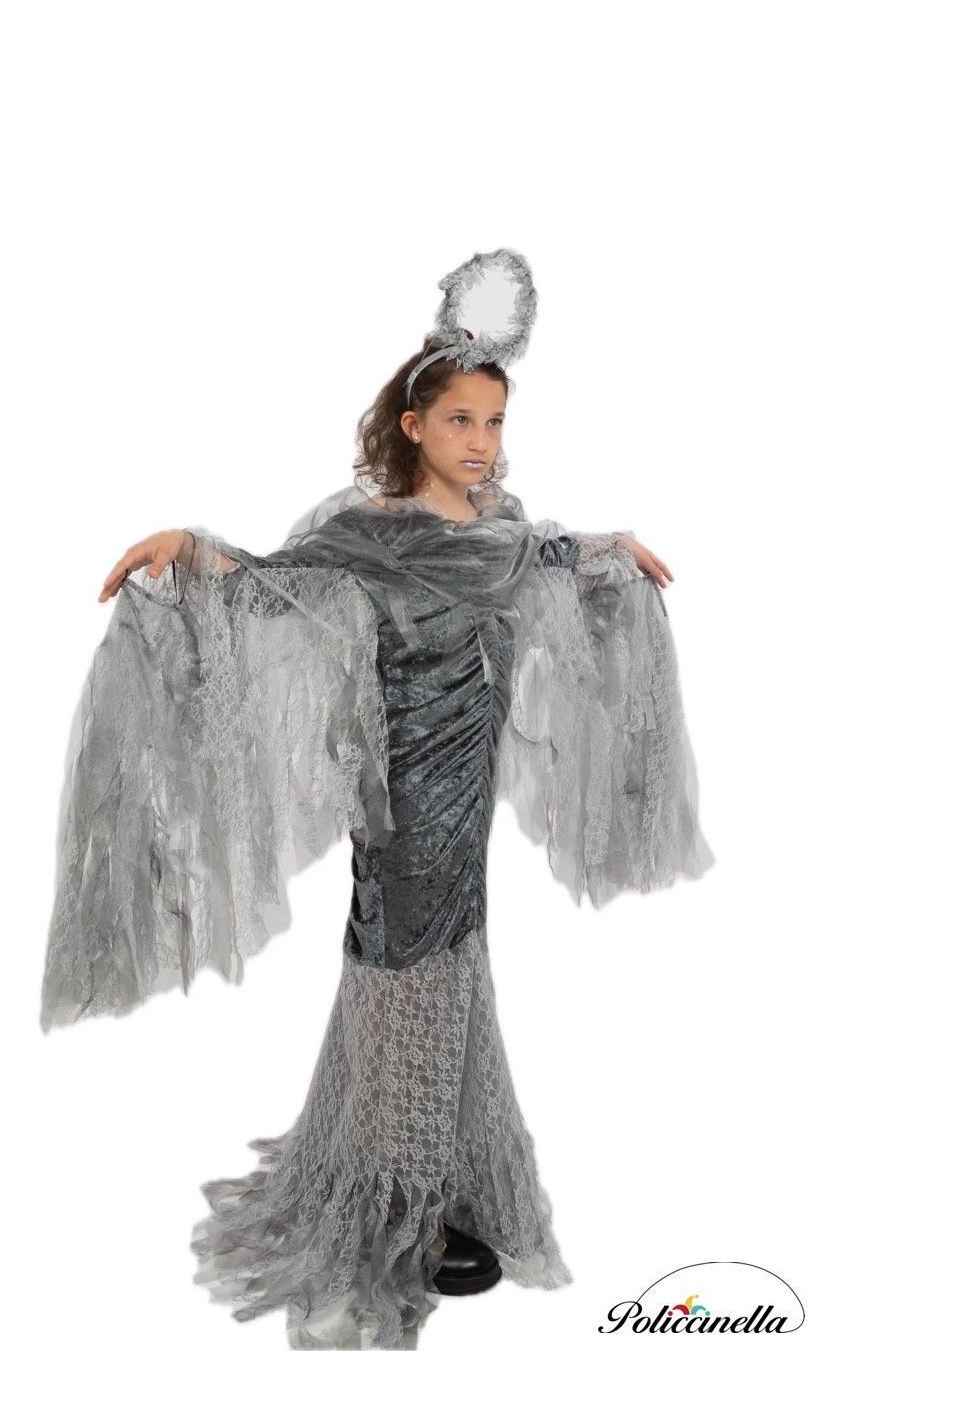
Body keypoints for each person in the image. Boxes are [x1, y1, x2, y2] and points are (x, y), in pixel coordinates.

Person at [40, 249, 714, 1350]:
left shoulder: (496, 527)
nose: (481, 443)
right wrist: (189, 547)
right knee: (404, 965)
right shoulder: (372, 531)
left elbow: (538, 551)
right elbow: (277, 584)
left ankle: (438, 1178)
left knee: (453, 964)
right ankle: (395, 1210)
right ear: (414, 426)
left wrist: (608, 548)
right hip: (401, 793)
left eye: (494, 423)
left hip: (467, 788)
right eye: (460, 422)